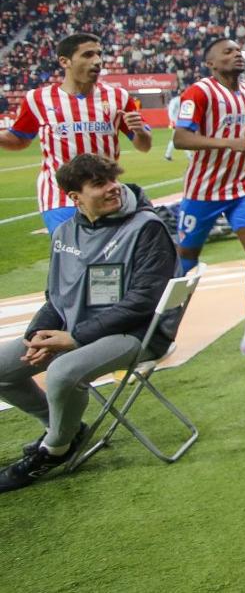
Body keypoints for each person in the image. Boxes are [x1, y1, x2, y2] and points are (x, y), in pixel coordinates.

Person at [0, 153, 178, 492]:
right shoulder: (66, 231)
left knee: (63, 371)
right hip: (78, 330)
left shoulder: (147, 227)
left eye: (113, 180)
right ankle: (64, 429)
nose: (113, 189)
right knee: (3, 369)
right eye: (99, 184)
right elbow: (55, 296)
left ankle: (54, 450)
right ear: (74, 197)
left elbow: (143, 301)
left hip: (137, 333)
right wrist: (37, 335)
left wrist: (74, 338)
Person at [172, 38, 245, 358]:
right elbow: (180, 138)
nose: (236, 55)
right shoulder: (199, 92)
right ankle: (159, 331)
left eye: (238, 51)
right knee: (185, 262)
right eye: (228, 52)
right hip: (203, 191)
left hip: (243, 188)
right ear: (211, 63)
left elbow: (242, 140)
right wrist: (228, 144)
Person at [0, 33, 152, 234]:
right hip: (59, 195)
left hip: (105, 192)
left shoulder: (118, 97)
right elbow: (18, 139)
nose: (97, 61)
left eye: (99, 54)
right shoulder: (38, 98)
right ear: (65, 61)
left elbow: (144, 145)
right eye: (88, 55)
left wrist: (140, 131)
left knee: (108, 257)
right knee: (73, 254)